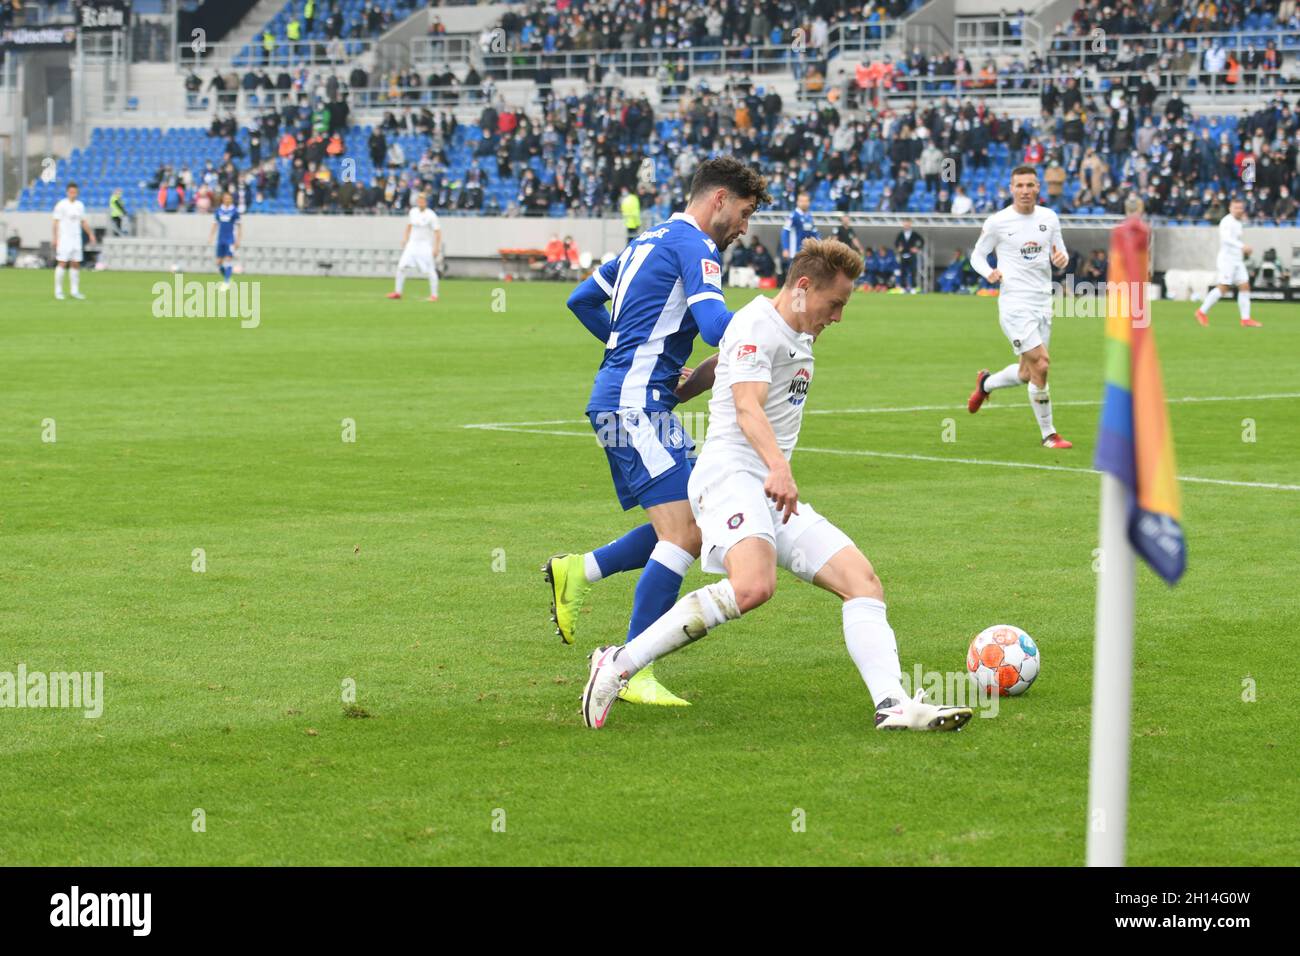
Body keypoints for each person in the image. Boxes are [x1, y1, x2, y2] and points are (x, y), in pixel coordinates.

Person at [580, 239, 974, 733]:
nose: (838, 317)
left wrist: (687, 387)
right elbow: (747, 406)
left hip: (764, 484)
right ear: (804, 288)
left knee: (862, 582)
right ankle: (617, 664)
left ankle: (892, 704)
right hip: (730, 475)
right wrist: (778, 467)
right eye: (836, 304)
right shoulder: (756, 324)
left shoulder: (797, 327)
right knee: (753, 586)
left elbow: (727, 362)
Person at [544, 158, 770, 707]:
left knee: (693, 511)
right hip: (634, 406)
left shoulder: (648, 239)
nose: (744, 228)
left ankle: (579, 570)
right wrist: (771, 321)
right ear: (719, 200)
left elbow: (582, 301)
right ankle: (630, 668)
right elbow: (717, 327)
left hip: (632, 399)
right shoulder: (696, 246)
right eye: (743, 214)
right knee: (685, 533)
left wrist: (633, 354)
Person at [966, 165, 1072, 449]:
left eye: (1030, 185)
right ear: (1011, 189)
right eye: (1020, 186)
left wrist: (1063, 260)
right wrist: (988, 272)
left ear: (1038, 187)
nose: (1025, 190)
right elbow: (977, 254)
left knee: (1028, 374)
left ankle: (985, 384)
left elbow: (1060, 252)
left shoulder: (1049, 218)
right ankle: (1049, 434)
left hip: (1043, 302)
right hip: (1014, 303)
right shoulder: (998, 222)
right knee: (1042, 363)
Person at [1196, 197, 1262, 328]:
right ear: (1230, 208)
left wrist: (1242, 251)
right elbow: (1226, 239)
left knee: (1244, 286)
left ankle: (1245, 319)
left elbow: (1234, 242)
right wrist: (1242, 246)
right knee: (1224, 287)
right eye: (1236, 208)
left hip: (1237, 260)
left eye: (1241, 208)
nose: (1239, 210)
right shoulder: (1226, 221)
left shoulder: (1238, 223)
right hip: (1227, 261)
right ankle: (1201, 312)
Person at [386, 191, 441, 301]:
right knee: (401, 266)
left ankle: (434, 295)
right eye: (419, 201)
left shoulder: (431, 215)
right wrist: (405, 239)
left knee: (430, 270)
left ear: (426, 202)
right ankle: (398, 292)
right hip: (412, 245)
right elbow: (409, 227)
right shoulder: (413, 212)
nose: (420, 202)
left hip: (425, 245)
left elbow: (438, 232)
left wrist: (436, 248)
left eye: (423, 201)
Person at [52, 182, 95, 300]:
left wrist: (90, 234)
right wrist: (55, 238)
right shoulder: (61, 205)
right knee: (62, 262)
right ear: (67, 192)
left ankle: (74, 291)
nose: (73, 194)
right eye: (71, 192)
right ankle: (58, 291)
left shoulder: (79, 205)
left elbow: (83, 221)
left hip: (76, 238)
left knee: (75, 263)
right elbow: (55, 223)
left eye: (75, 192)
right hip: (64, 238)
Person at [779, 191, 818, 281]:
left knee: (805, 279)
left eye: (806, 201)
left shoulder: (809, 217)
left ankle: (801, 295)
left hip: (806, 253)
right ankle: (791, 295)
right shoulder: (793, 216)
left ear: (809, 202)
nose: (804, 203)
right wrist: (785, 248)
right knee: (794, 279)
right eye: (802, 201)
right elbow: (785, 232)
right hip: (794, 254)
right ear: (797, 202)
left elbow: (815, 234)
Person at [208, 191, 241, 289]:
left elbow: (239, 226)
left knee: (228, 259)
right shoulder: (219, 210)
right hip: (220, 239)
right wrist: (211, 236)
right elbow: (215, 224)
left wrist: (238, 240)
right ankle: (228, 278)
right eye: (225, 198)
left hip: (230, 239)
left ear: (231, 199)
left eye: (229, 198)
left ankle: (226, 282)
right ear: (223, 199)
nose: (227, 200)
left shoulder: (235, 211)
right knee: (218, 262)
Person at [893, 218, 923, 293]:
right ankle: (903, 287)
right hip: (903, 255)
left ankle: (913, 287)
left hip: (912, 255)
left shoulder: (914, 234)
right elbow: (896, 243)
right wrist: (898, 248)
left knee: (913, 271)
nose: (906, 225)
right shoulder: (901, 234)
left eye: (907, 223)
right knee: (903, 272)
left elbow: (922, 241)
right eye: (905, 223)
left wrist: (917, 248)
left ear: (910, 224)